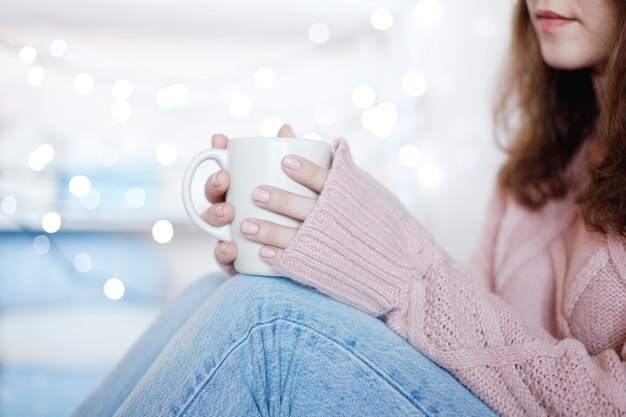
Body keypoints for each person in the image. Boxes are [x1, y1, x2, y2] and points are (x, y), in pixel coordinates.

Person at [72, 0, 625, 415]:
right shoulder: (548, 162)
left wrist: (399, 265)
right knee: (228, 292)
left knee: (265, 324)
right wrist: (327, 258)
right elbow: (472, 335)